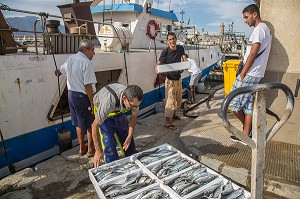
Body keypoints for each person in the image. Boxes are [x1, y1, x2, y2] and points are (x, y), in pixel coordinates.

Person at [228, 4, 272, 144]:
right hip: (255, 73)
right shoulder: (263, 29)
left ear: (255, 14)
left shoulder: (260, 29)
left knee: (232, 103)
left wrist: (243, 73)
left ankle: (248, 129)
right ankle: (246, 133)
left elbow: (253, 54)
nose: (245, 21)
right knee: (247, 105)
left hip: (250, 73)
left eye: (246, 17)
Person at [55, 39, 96, 156]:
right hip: (81, 97)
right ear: (85, 50)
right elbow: (88, 86)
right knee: (90, 124)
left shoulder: (70, 59)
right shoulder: (86, 63)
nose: (94, 53)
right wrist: (92, 103)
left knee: (78, 123)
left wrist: (57, 71)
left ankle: (81, 148)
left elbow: (59, 71)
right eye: (92, 50)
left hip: (71, 95)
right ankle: (90, 150)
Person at [92, 83, 143, 167]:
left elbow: (133, 118)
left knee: (126, 138)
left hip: (118, 111)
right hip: (105, 113)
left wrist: (130, 136)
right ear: (124, 99)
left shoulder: (134, 101)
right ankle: (113, 165)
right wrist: (98, 150)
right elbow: (94, 126)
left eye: (137, 106)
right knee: (109, 143)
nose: (135, 108)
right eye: (132, 106)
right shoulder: (109, 101)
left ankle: (133, 160)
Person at [156, 32, 187, 130]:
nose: (172, 41)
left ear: (176, 39)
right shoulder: (165, 52)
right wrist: (157, 66)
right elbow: (160, 62)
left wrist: (185, 61)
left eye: (173, 38)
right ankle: (167, 122)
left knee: (178, 99)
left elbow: (184, 56)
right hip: (170, 79)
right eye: (170, 39)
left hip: (178, 77)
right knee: (170, 100)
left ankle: (174, 115)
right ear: (167, 41)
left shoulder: (180, 48)